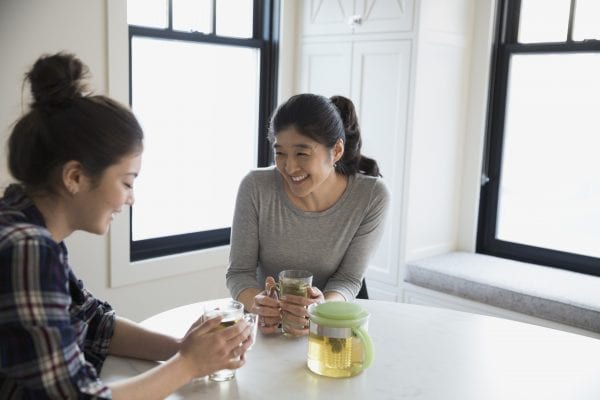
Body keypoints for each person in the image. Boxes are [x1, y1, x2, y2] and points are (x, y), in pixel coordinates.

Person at [0, 52, 252, 399]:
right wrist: (189, 364)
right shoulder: (27, 247)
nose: (130, 199)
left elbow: (92, 323)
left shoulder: (24, 224)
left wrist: (184, 348)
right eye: (128, 182)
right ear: (75, 177)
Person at [226, 93, 390, 336]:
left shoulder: (371, 196)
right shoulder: (255, 187)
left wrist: (320, 309)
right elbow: (239, 272)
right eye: (280, 153)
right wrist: (257, 303)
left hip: (334, 321)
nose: (290, 167)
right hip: (270, 327)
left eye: (302, 154)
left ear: (336, 151)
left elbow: (348, 278)